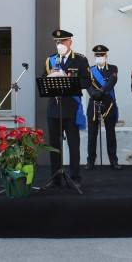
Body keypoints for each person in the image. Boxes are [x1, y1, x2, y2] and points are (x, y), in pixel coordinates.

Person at [44, 29, 91, 188]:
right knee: (54, 146)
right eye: (57, 42)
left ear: (70, 42)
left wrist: (69, 80)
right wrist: (50, 78)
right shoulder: (50, 60)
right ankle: (55, 178)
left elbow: (87, 82)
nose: (59, 45)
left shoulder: (80, 60)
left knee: (73, 145)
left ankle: (75, 177)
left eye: (62, 41)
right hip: (54, 108)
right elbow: (43, 79)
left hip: (71, 108)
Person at [86, 44, 121, 170]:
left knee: (111, 134)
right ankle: (90, 161)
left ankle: (113, 160)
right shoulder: (90, 70)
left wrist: (101, 90)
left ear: (106, 56)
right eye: (97, 55)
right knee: (92, 134)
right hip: (93, 102)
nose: (99, 57)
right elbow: (87, 84)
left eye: (101, 55)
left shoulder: (113, 68)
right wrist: (93, 93)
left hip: (108, 103)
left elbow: (112, 82)